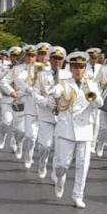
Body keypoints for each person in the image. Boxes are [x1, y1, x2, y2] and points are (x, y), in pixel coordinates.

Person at [50, 51, 105, 208]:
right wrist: (53, 91)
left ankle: (78, 195)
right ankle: (60, 179)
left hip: (85, 129)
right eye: (75, 67)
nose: (78, 70)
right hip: (66, 129)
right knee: (62, 165)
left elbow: (100, 104)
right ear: (71, 68)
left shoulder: (91, 84)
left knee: (83, 165)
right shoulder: (64, 83)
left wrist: (91, 95)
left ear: (85, 68)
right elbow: (56, 91)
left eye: (81, 67)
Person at [33, 47, 68, 178]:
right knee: (45, 146)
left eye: (60, 58)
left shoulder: (68, 75)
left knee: (59, 149)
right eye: (54, 58)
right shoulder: (41, 75)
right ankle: (42, 163)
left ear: (63, 60)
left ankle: (55, 172)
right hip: (46, 115)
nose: (57, 61)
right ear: (50, 59)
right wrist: (46, 102)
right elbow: (35, 95)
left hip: (63, 117)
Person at [0, 46, 23, 149]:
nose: (15, 58)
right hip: (7, 98)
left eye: (17, 56)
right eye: (13, 55)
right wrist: (5, 73)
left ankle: (14, 142)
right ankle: (3, 135)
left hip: (20, 100)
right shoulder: (5, 68)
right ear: (10, 57)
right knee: (6, 121)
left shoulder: (24, 69)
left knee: (18, 125)